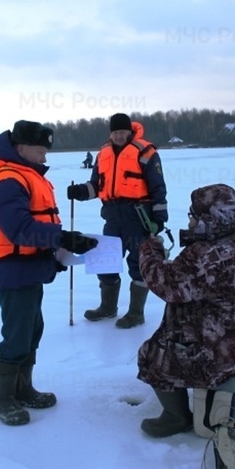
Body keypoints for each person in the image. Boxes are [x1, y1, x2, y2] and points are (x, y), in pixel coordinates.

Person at [0, 120, 98, 426]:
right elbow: (18, 229)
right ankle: (2, 400)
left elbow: (39, 223)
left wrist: (64, 243)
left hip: (29, 267)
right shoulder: (7, 179)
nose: (45, 157)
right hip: (12, 270)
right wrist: (61, 237)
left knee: (33, 329)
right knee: (17, 334)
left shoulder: (27, 175)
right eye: (40, 150)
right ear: (21, 149)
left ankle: (22, 388)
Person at [135, 183, 235, 438]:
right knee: (176, 321)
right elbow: (192, 281)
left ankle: (176, 418)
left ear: (207, 219)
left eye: (193, 216)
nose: (191, 221)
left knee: (151, 354)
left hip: (224, 353)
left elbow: (166, 284)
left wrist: (149, 251)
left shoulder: (208, 254)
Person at [67, 113, 168, 329]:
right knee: (106, 259)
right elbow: (96, 185)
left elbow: (158, 188)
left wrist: (159, 219)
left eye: (122, 132)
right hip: (112, 215)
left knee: (138, 263)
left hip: (139, 216)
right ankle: (108, 307)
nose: (119, 136)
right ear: (110, 133)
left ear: (130, 132)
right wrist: (81, 191)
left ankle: (135, 313)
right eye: (115, 132)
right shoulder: (103, 154)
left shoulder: (146, 152)